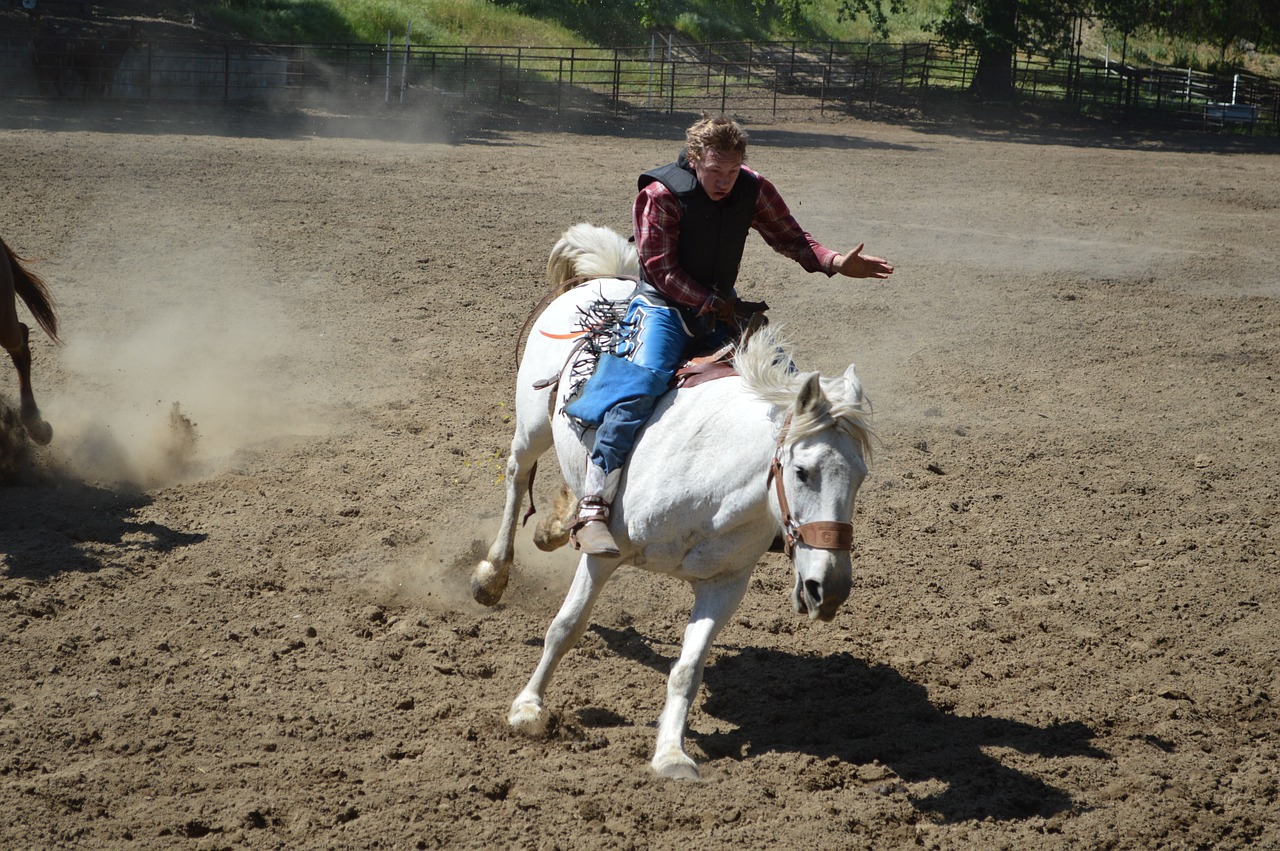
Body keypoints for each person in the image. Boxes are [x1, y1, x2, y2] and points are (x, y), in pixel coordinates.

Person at [567, 115, 894, 556]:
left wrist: (833, 262)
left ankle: (784, 508)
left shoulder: (754, 188)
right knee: (638, 387)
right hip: (664, 308)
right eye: (714, 172)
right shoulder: (660, 195)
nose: (724, 182)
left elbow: (792, 238)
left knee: (791, 391)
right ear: (694, 159)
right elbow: (660, 271)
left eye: (733, 171)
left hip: (721, 307)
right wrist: (715, 305)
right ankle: (593, 507)